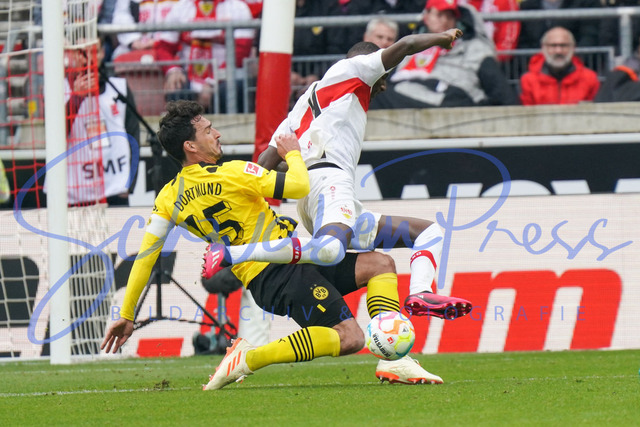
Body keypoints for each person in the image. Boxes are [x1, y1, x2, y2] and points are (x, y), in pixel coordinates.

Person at [102, 100, 444, 389]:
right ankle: (249, 357)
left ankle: (394, 359)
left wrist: (127, 314)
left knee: (380, 264)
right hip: (276, 273)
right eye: (207, 130)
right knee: (350, 337)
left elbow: (145, 257)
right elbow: (297, 186)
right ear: (190, 146)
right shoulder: (234, 173)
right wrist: (292, 154)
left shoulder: (168, 198)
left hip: (287, 261)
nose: (217, 134)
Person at [204, 30, 474, 320]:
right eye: (383, 77)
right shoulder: (354, 68)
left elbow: (265, 161)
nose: (383, 86)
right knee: (331, 250)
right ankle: (234, 255)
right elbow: (406, 44)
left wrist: (300, 165)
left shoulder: (303, 103)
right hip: (331, 183)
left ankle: (420, 292)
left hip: (312, 193)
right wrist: (442, 38)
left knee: (428, 233)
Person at [369, 0, 518, 109]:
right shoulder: (410, 46)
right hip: (405, 98)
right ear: (426, 16)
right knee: (371, 94)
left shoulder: (475, 49)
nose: (445, 21)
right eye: (440, 15)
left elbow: (503, 94)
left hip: (451, 101)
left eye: (450, 16)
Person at [45, 37, 141, 206]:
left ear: (103, 53)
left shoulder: (119, 88)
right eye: (82, 52)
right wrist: (76, 99)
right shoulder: (57, 89)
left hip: (114, 189)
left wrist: (130, 183)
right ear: (71, 54)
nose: (88, 58)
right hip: (73, 192)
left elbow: (134, 136)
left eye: (94, 52)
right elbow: (54, 137)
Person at [155, 0, 255, 113]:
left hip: (226, 76)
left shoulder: (238, 8)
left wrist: (212, 82)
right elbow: (163, 47)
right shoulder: (181, 7)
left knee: (231, 90)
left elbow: (240, 52)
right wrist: (173, 70)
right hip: (189, 75)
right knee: (176, 88)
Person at [519, 27, 600, 105]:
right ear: (543, 48)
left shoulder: (589, 79)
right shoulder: (529, 80)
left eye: (563, 45)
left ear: (573, 48)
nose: (558, 51)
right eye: (553, 46)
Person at [517, 0, 601, 50]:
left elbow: (589, 38)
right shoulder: (527, 6)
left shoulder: (587, 3)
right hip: (535, 69)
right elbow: (523, 42)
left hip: (577, 68)